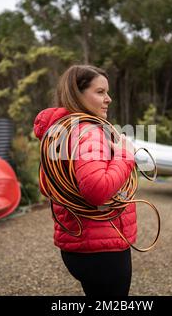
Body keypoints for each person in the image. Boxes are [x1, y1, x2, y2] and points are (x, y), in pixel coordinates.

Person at [33, 65, 137, 296]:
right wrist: (125, 155)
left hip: (77, 246)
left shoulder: (58, 132)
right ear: (76, 94)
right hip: (102, 250)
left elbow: (46, 185)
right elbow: (97, 191)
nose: (108, 99)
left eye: (107, 92)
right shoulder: (88, 132)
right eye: (100, 92)